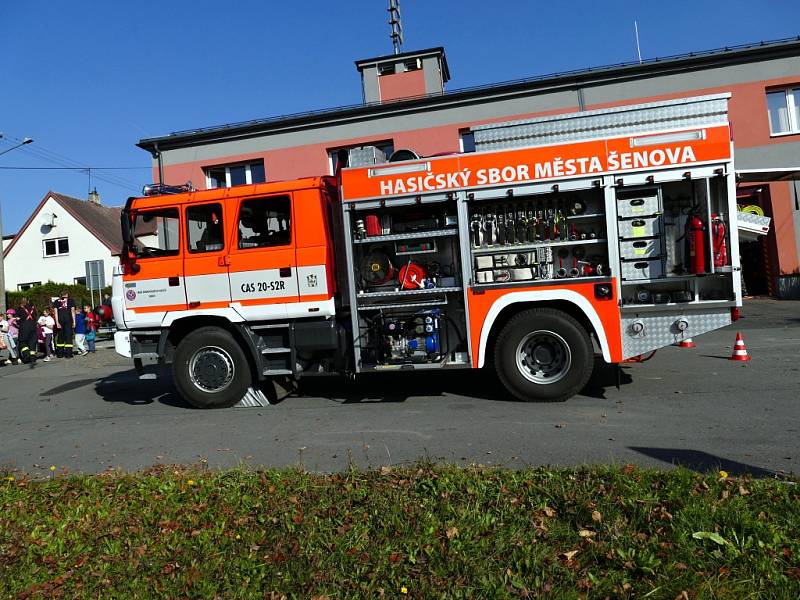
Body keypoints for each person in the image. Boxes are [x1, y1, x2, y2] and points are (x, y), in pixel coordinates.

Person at [53, 290, 76, 358]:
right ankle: (68, 354)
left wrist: (57, 322)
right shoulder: (71, 301)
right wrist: (74, 322)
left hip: (60, 320)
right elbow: (72, 311)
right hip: (68, 320)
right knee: (68, 337)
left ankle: (60, 354)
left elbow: (55, 312)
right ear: (67, 294)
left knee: (60, 337)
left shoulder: (56, 301)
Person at [16, 298, 38, 364]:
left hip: (24, 326)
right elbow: (36, 316)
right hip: (33, 326)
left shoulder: (19, 308)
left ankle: (26, 354)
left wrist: (18, 321)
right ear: (28, 301)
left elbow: (17, 319)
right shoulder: (33, 308)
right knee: (32, 342)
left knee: (22, 342)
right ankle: (33, 358)